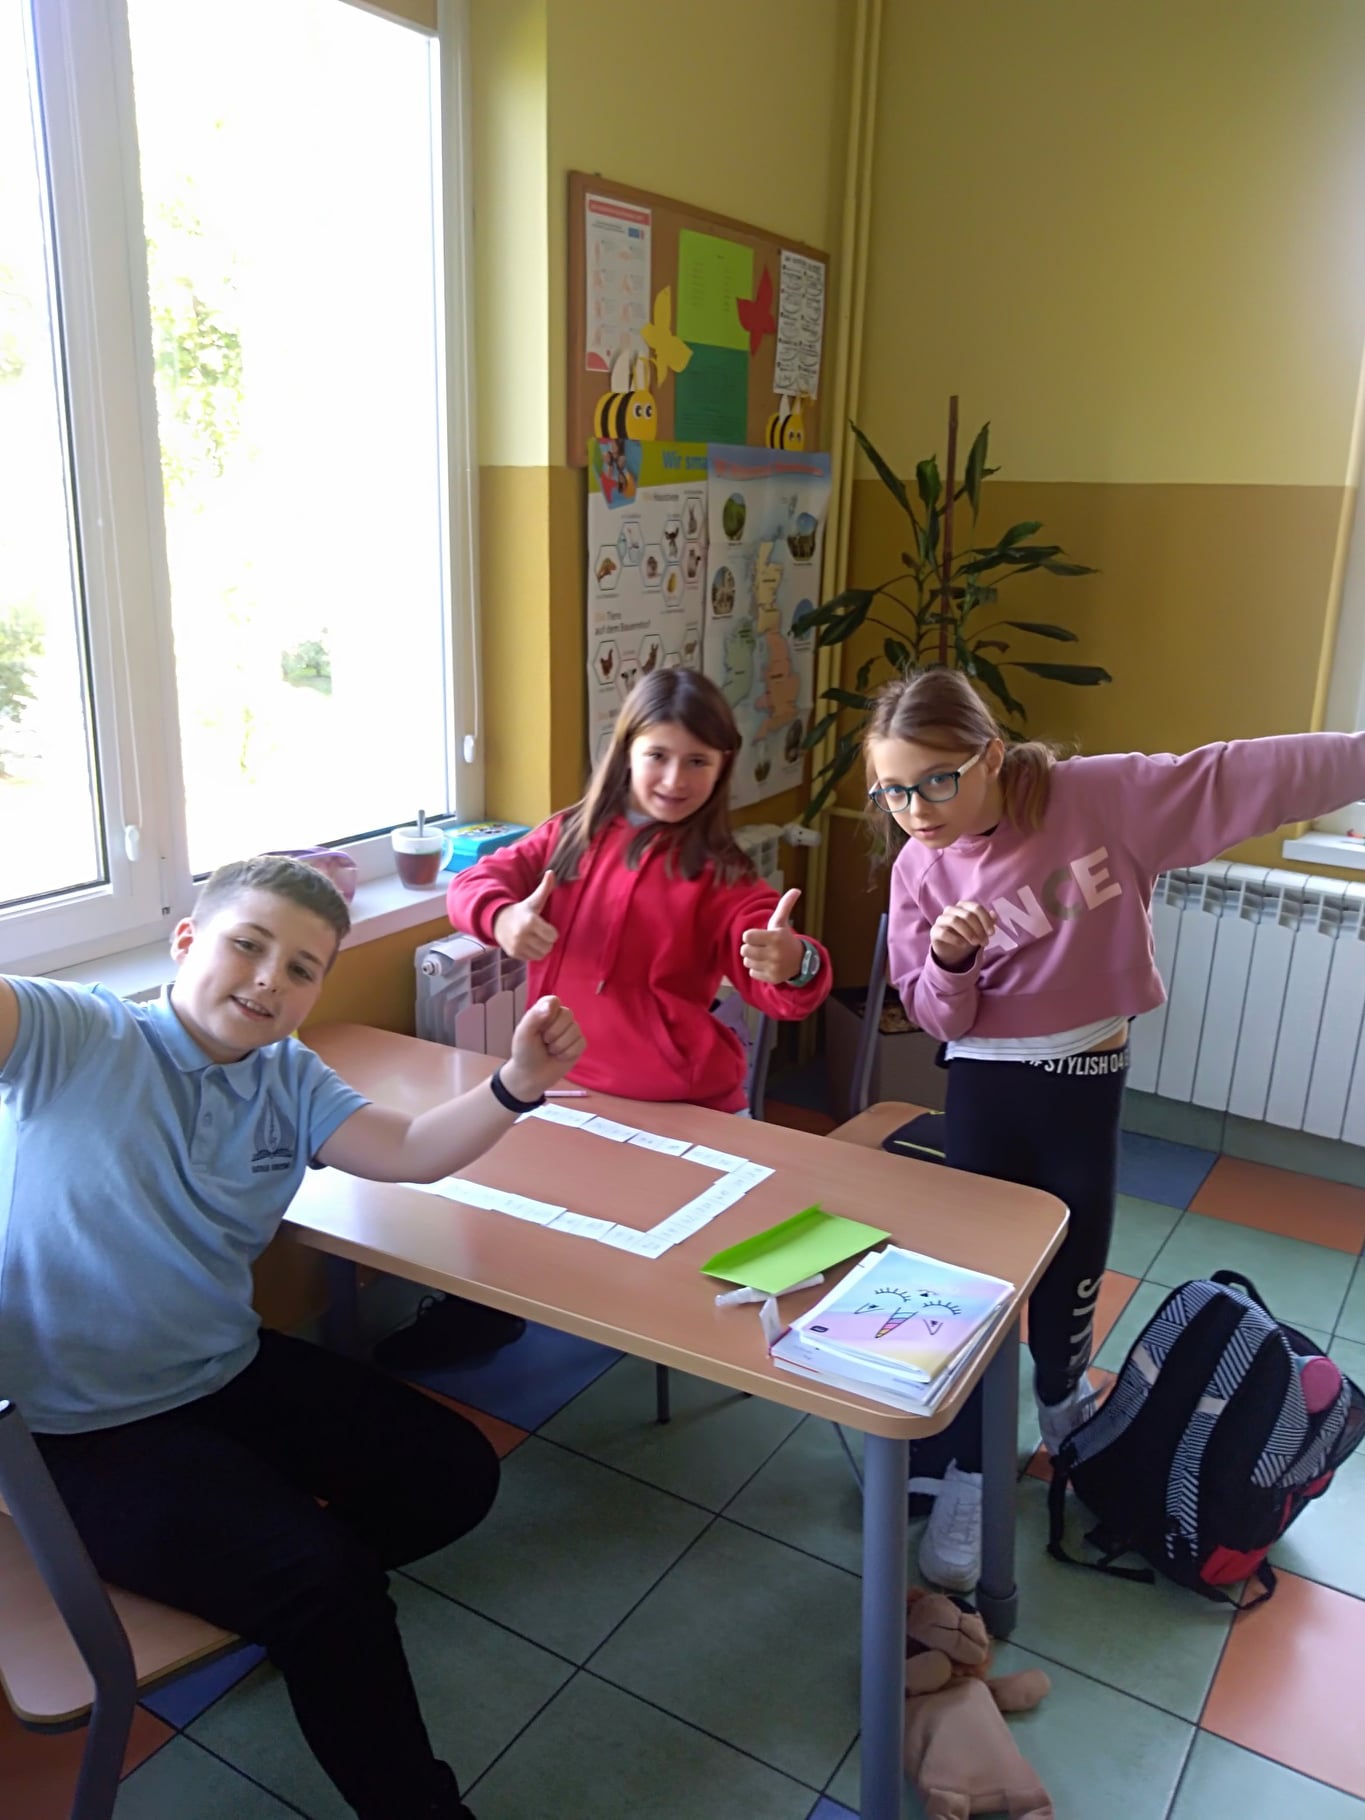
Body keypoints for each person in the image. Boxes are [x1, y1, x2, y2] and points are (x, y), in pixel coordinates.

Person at [0, 854, 587, 1820]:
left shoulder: (290, 1076)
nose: (270, 979)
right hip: (78, 1427)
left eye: (302, 968)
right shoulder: (80, 1032)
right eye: (247, 945)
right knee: (326, 1584)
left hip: (221, 1368)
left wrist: (518, 1083)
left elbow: (408, 1151)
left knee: (451, 1475)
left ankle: (305, 1609)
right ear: (185, 942)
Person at [866, 667, 1365, 1592]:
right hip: (984, 1083)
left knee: (1074, 1257)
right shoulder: (916, 871)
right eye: (891, 790)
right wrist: (949, 959)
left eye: (936, 780)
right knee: (974, 1279)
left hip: (1085, 1078)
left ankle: (1062, 1410)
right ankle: (971, 1464)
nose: (915, 810)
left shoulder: (1094, 798)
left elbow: (1237, 775)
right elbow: (934, 1015)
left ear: (990, 756)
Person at [379, 669, 833, 1369]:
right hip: (560, 1084)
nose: (674, 779)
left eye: (697, 761)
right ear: (625, 752)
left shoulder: (724, 874)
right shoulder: (568, 834)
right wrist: (501, 919)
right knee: (494, 1202)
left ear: (722, 768)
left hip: (680, 1101)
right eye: (658, 755)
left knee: (687, 1269)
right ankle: (481, 1314)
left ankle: (701, 1347)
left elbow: (778, 980)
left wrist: (793, 961)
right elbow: (474, 883)